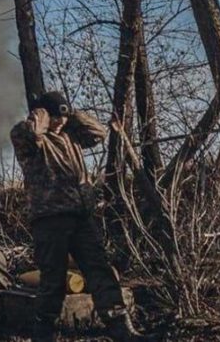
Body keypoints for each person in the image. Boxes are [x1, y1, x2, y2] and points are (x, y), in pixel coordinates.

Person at [10, 90, 144, 342]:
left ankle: (122, 329)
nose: (60, 122)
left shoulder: (72, 137)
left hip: (82, 217)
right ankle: (44, 334)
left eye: (63, 116)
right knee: (53, 279)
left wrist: (71, 114)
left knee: (100, 271)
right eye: (54, 116)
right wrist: (40, 115)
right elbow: (29, 132)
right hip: (50, 219)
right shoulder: (30, 141)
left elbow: (98, 133)